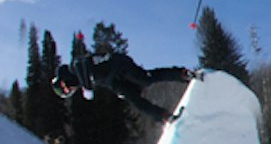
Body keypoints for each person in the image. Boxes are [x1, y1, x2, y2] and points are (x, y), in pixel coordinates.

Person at [54, 50, 194, 125]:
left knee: (145, 79)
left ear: (63, 81)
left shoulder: (75, 66)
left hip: (118, 65)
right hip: (115, 81)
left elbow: (82, 64)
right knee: (135, 101)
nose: (71, 90)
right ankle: (164, 116)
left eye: (66, 89)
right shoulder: (85, 79)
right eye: (69, 92)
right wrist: (118, 92)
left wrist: (87, 89)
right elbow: (102, 81)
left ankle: (181, 74)